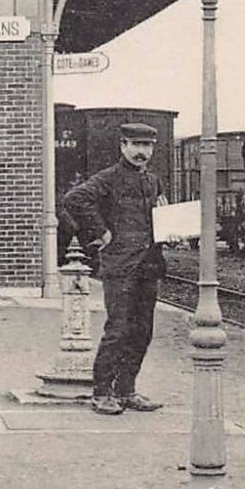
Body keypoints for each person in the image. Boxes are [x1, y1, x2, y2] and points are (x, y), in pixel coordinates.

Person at [60, 122, 168, 416]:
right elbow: (74, 199)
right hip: (120, 266)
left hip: (148, 265)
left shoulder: (153, 182)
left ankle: (127, 390)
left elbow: (154, 218)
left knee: (142, 331)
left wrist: (169, 226)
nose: (142, 152)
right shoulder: (108, 178)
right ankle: (101, 392)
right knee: (118, 329)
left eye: (147, 147)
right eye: (136, 145)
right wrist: (102, 232)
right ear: (123, 146)